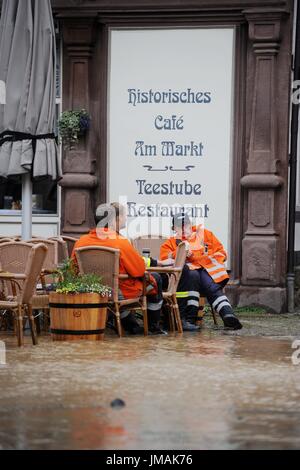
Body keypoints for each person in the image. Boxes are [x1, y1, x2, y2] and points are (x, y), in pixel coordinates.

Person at [72, 203, 167, 335]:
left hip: (92, 290)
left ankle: (131, 325)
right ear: (113, 221)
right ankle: (152, 327)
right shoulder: (120, 242)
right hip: (119, 291)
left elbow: (73, 270)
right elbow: (139, 270)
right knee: (155, 279)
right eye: (123, 216)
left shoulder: (81, 242)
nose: (125, 219)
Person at [160, 213, 243, 330]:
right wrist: (180, 253)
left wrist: (201, 258)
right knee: (198, 278)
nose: (184, 229)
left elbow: (221, 252)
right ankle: (220, 314)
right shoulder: (169, 244)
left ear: (191, 224)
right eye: (180, 226)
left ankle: (227, 314)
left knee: (209, 284)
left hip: (207, 272)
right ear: (174, 229)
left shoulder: (205, 234)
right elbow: (165, 261)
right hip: (189, 279)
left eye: (186, 225)